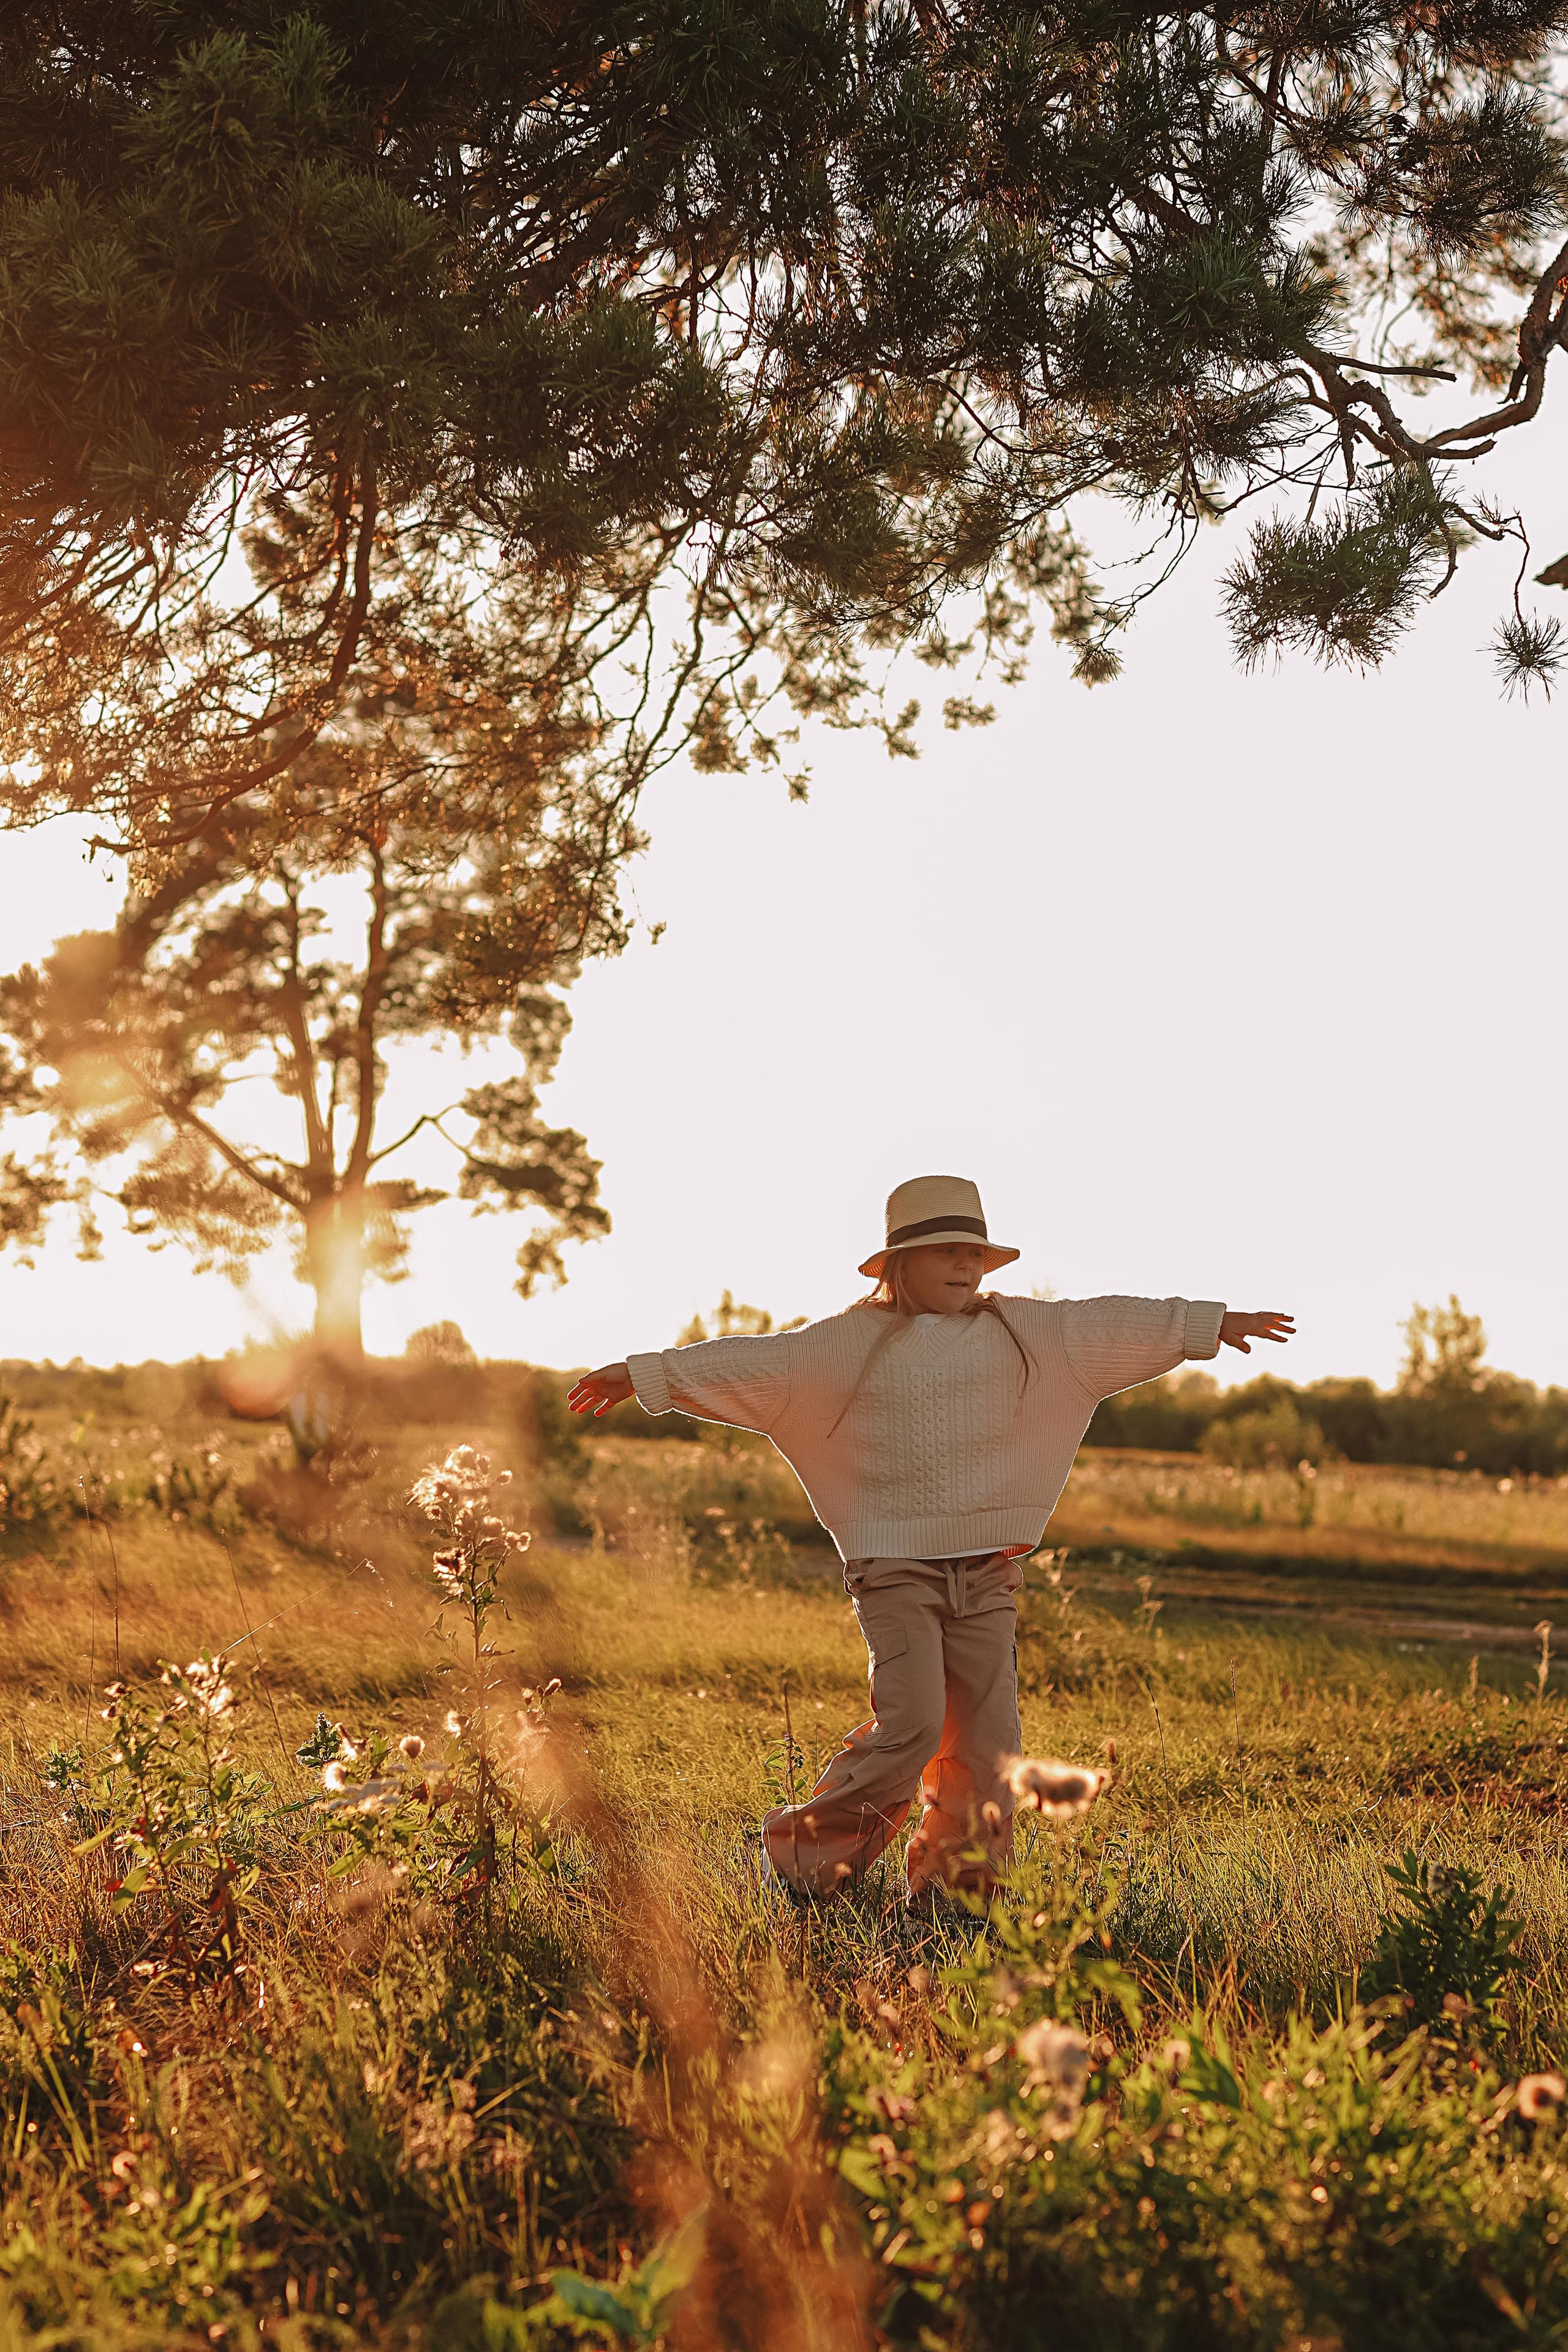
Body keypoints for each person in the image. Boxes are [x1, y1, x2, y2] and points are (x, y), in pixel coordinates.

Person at [567, 1174, 1292, 1909]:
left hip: (987, 1574)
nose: (964, 1266)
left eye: (974, 1254)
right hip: (894, 1569)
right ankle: (800, 1860)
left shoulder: (1028, 1332)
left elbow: (1110, 1323)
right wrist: (647, 1374)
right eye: (944, 1251)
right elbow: (759, 1363)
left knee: (985, 1750)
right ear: (897, 1264)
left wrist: (1209, 1323)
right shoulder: (845, 1342)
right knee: (912, 1724)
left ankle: (955, 1898)